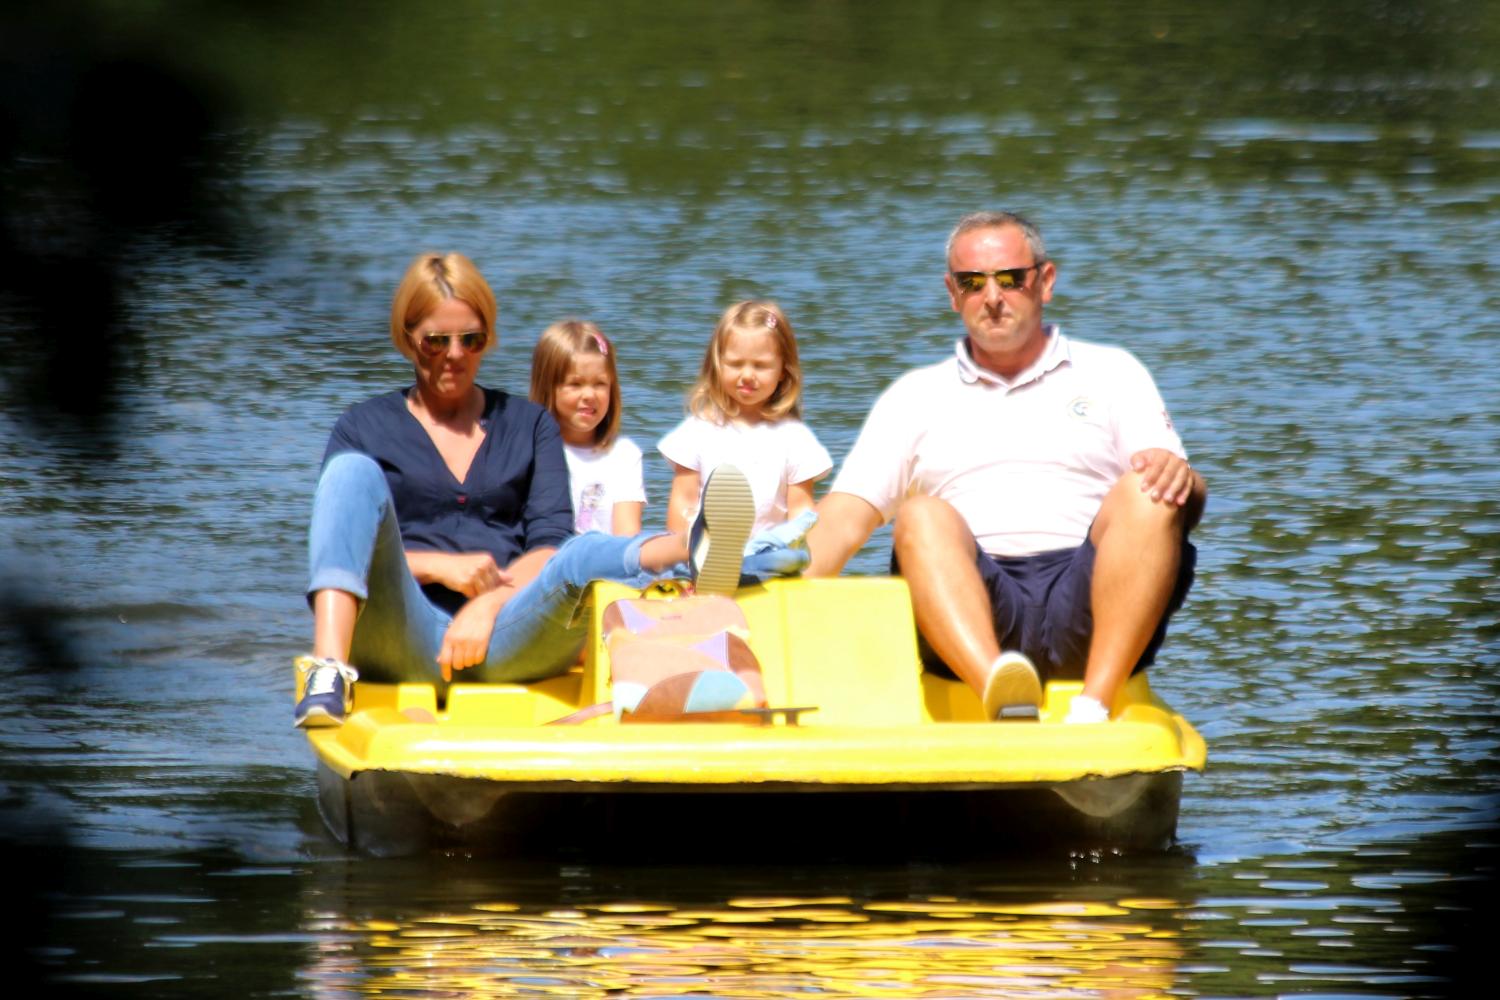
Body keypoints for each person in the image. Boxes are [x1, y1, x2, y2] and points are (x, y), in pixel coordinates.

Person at [293, 253, 745, 728]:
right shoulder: (363, 426)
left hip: (504, 633)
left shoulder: (530, 425)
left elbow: (547, 545)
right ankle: (328, 675)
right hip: (400, 631)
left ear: (487, 339)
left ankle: (691, 547)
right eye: (436, 341)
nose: (454, 354)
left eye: (470, 339)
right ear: (408, 339)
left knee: (575, 552)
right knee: (349, 471)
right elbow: (341, 551)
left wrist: (489, 604)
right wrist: (439, 567)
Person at [801, 211, 1206, 723]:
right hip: (973, 607)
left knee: (1150, 488)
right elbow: (842, 521)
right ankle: (1002, 697)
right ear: (952, 294)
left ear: (1045, 281)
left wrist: (1183, 479)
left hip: (1091, 596)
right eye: (972, 283)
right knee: (921, 514)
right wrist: (746, 582)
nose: (992, 297)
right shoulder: (912, 397)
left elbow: (1183, 502)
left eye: (1011, 278)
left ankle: (1094, 707)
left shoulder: (1114, 373)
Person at [659, 300, 832, 536]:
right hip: (705, 549)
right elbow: (683, 501)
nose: (748, 375)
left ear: (783, 370)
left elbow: (800, 507)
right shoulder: (698, 430)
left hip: (769, 549)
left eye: (760, 366)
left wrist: (801, 549)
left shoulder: (795, 438)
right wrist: (679, 552)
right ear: (717, 364)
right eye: (735, 364)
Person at [529, 320, 646, 536]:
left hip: (606, 555)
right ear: (547, 387)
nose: (589, 395)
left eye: (600, 384)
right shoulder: (528, 451)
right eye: (575, 384)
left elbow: (627, 536)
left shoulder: (623, 454)